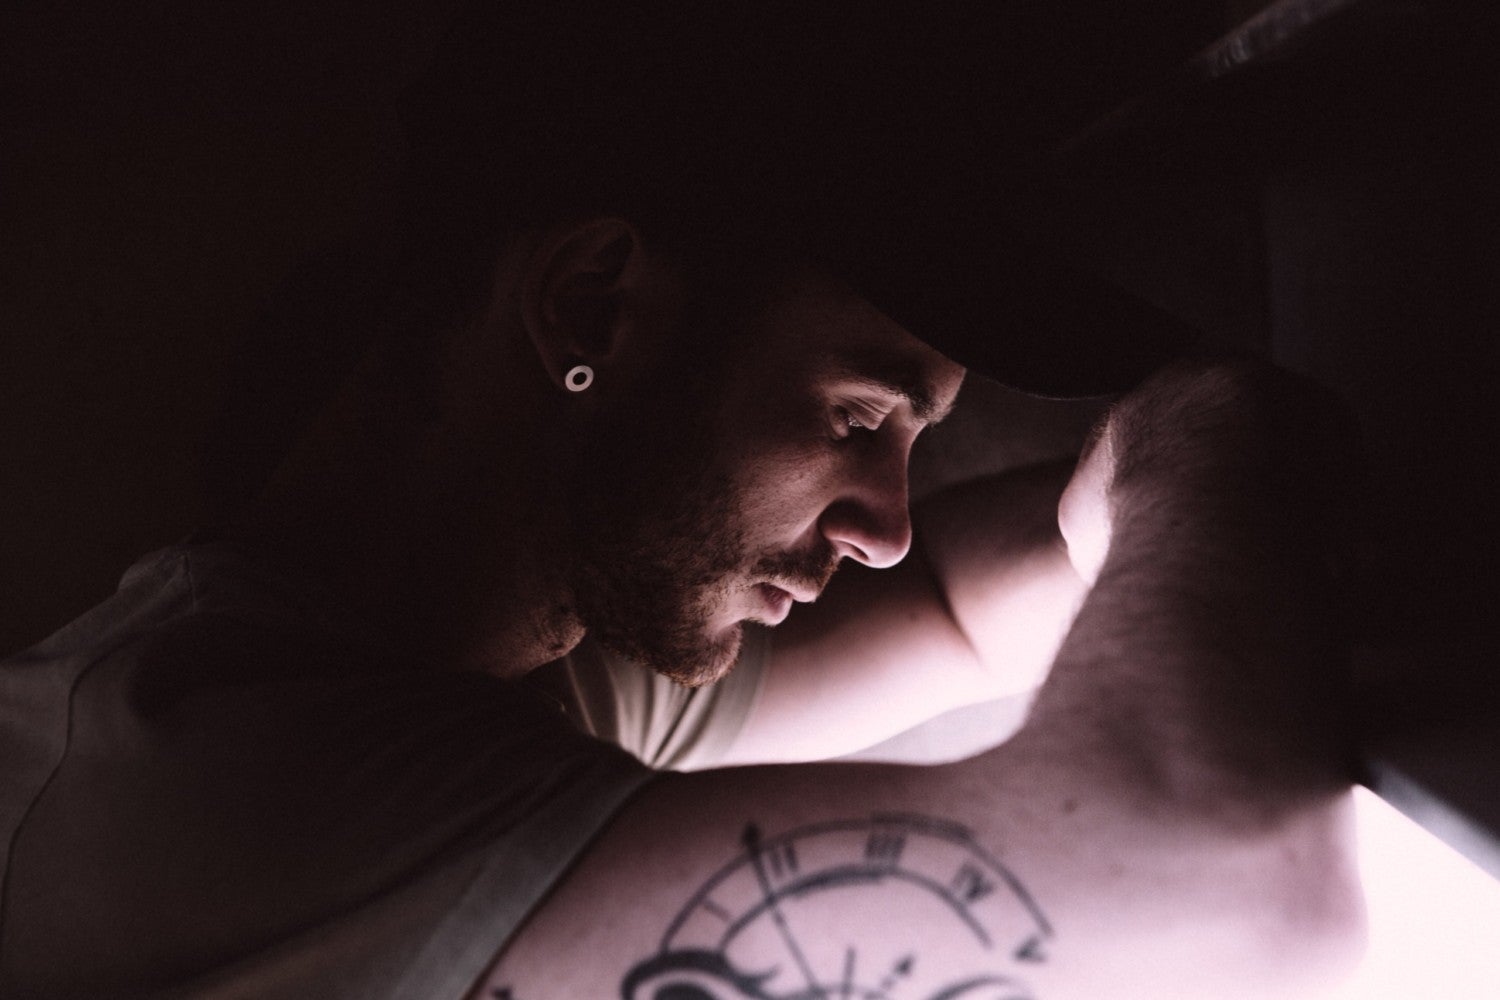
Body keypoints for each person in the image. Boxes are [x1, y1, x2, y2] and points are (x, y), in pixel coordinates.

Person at [0, 8, 1366, 999]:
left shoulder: (513, 668)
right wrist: (1197, 441)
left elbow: (951, 602)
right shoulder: (211, 775)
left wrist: (1156, 478)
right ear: (592, 306)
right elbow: (1225, 898)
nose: (886, 523)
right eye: (858, 419)